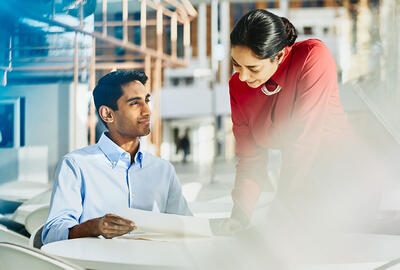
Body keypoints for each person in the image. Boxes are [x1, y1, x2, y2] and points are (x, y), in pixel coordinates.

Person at [224, 9, 380, 233]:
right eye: (236, 64)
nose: (243, 76)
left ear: (278, 56)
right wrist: (240, 215)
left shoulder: (312, 57)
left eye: (253, 68)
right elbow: (250, 159)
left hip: (350, 182)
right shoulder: (238, 86)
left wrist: (281, 212)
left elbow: (302, 142)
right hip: (305, 187)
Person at [43, 70, 192, 244]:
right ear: (107, 114)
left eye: (147, 101)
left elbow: (187, 227)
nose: (147, 111)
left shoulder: (163, 170)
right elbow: (52, 235)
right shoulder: (76, 165)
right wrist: (95, 227)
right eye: (135, 103)